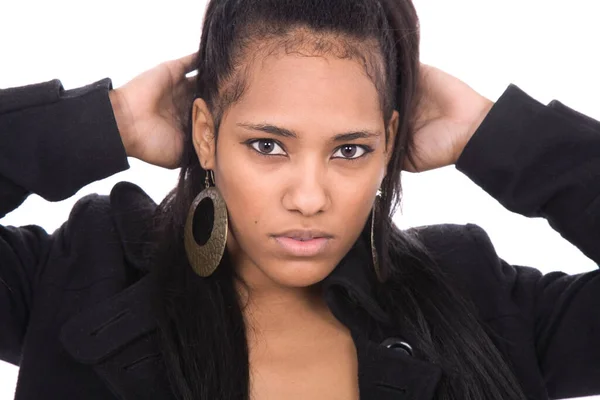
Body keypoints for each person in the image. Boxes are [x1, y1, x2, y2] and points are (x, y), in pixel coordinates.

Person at [1, 0, 599, 399]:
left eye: (349, 150)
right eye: (267, 145)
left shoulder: (477, 296)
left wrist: (497, 138)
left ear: (389, 141)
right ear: (206, 134)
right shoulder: (84, 273)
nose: (309, 197)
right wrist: (103, 124)